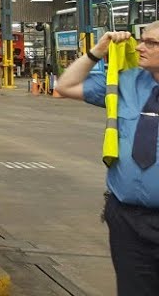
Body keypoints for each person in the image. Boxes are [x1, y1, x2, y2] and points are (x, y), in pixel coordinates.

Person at [55, 25, 159, 296]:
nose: (140, 47)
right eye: (141, 40)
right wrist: (97, 51)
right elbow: (64, 86)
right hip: (128, 222)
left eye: (151, 42)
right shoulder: (124, 82)